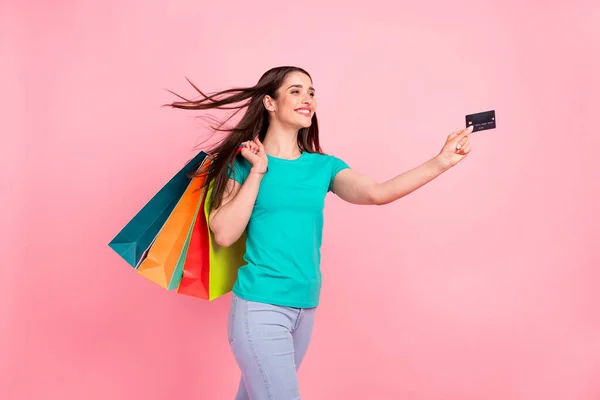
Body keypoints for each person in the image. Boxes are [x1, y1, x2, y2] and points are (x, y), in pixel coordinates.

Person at [167, 66, 473, 400]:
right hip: (260, 308)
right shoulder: (241, 163)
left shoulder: (323, 167)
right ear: (269, 102)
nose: (307, 99)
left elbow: (377, 193)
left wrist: (441, 161)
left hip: (304, 310)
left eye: (311, 92)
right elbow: (224, 233)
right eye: (296, 90)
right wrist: (257, 172)